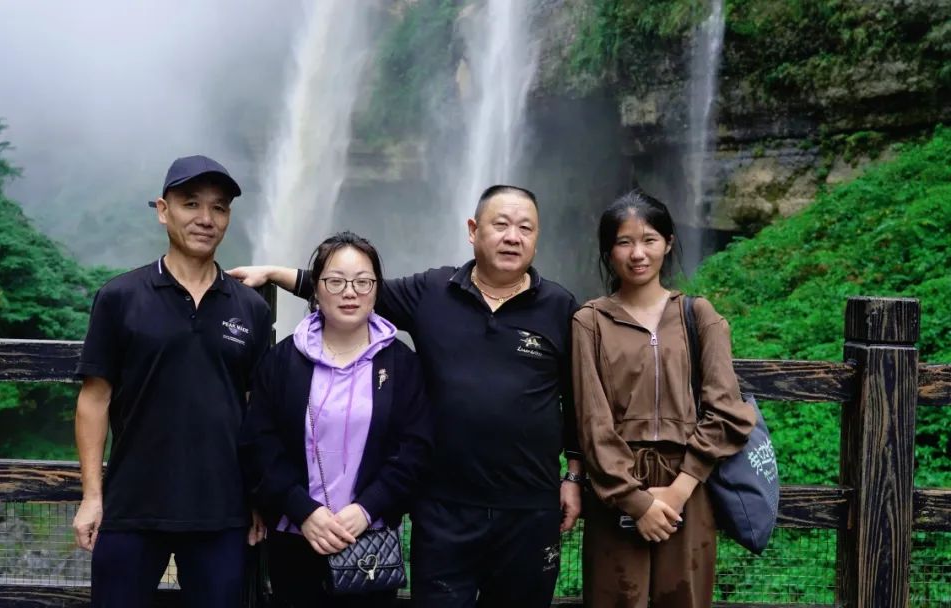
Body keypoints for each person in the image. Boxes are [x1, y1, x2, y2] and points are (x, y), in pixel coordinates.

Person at [231, 185, 582, 608]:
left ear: (537, 237)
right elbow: (349, 288)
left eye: (525, 228)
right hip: (443, 509)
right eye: (501, 224)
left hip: (529, 506)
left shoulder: (560, 306)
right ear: (473, 230)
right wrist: (273, 272)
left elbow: (577, 397)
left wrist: (574, 474)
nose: (513, 237)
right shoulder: (433, 291)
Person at [72, 155, 271, 607]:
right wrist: (92, 497)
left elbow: (257, 409)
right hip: (132, 506)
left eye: (219, 207)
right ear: (163, 210)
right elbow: (94, 400)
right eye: (191, 203)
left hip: (222, 511)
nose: (206, 218)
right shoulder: (120, 297)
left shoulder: (251, 309)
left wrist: (259, 496)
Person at [571, 189, 756, 608]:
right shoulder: (590, 322)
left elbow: (726, 409)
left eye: (649, 240)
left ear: (668, 243)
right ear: (608, 251)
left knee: (684, 599)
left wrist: (678, 490)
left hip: (689, 481)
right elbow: (592, 422)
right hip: (616, 486)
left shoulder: (699, 315)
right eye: (624, 242)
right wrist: (636, 502)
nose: (638, 253)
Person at [240, 231, 432, 608]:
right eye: (336, 281)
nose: (350, 292)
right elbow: (259, 443)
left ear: (377, 290)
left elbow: (416, 449)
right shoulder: (282, 361)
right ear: (316, 289)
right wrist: (303, 511)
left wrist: (367, 509)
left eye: (363, 282)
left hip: (370, 542)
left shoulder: (402, 365)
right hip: (296, 536)